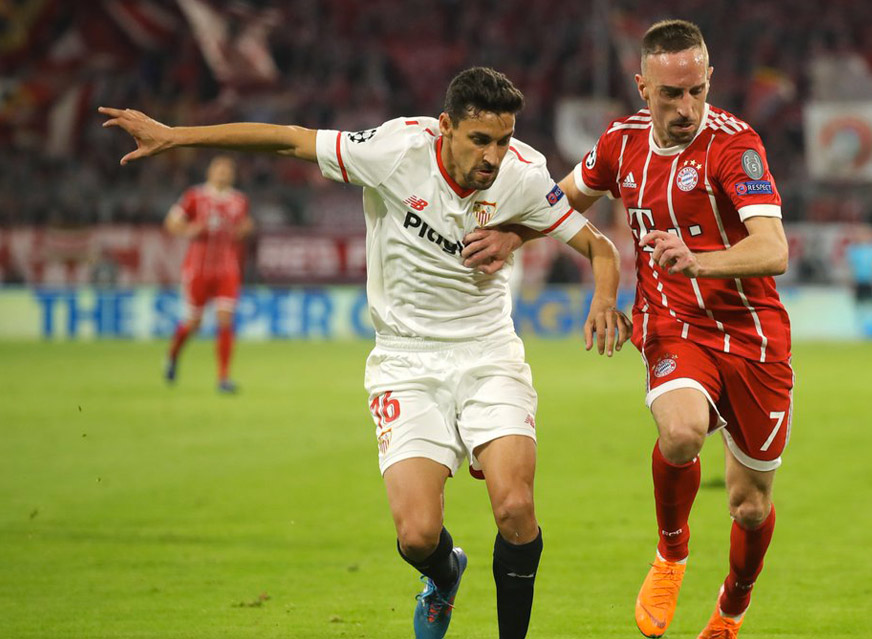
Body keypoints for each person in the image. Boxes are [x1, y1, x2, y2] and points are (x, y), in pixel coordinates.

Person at [99, 66, 631, 639]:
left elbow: (599, 246)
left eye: (503, 140)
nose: (493, 156)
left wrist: (603, 298)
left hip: (488, 354)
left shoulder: (523, 174)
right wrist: (176, 136)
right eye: (480, 140)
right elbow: (290, 139)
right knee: (418, 536)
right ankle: (444, 576)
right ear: (445, 127)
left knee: (515, 508)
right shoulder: (394, 150)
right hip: (405, 360)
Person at [462, 20, 792, 639]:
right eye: (671, 94)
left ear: (709, 79)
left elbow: (773, 249)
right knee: (681, 433)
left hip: (752, 335)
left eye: (696, 90)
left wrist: (700, 261)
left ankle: (732, 607)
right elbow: (561, 200)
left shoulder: (734, 146)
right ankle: (671, 553)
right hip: (674, 324)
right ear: (643, 87)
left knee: (749, 505)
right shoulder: (620, 142)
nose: (686, 107)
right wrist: (512, 234)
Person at [163, 155, 253, 393]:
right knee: (194, 323)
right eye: (219, 169)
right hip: (198, 269)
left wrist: (245, 229)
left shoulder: (239, 200)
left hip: (227, 269)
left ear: (233, 175)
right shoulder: (195, 196)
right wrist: (190, 229)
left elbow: (245, 226)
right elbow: (171, 222)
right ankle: (172, 355)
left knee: (225, 319)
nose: (223, 173)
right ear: (210, 172)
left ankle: (223, 378)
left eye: (227, 170)